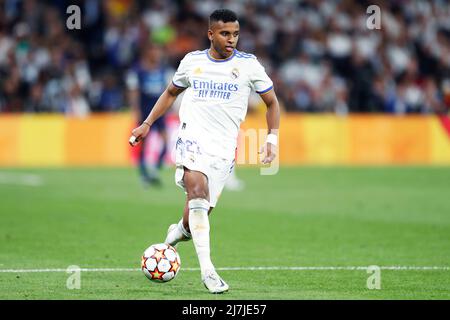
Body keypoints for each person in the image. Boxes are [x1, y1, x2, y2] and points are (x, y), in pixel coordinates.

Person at [129, 9, 280, 294]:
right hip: (191, 141)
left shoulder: (249, 65)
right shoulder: (192, 61)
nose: (231, 39)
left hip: (223, 151)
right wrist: (147, 124)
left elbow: (272, 103)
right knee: (196, 192)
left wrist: (272, 140)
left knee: (195, 217)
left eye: (235, 34)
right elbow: (170, 93)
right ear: (211, 34)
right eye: (225, 33)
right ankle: (208, 271)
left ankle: (174, 236)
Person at [126, 44, 173, 186]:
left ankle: (155, 168)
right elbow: (133, 91)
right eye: (154, 51)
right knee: (143, 142)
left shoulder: (163, 70)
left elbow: (169, 91)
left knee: (166, 139)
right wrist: (135, 108)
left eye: (158, 52)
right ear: (148, 53)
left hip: (159, 111)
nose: (157, 55)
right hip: (145, 110)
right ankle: (143, 174)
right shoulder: (138, 70)